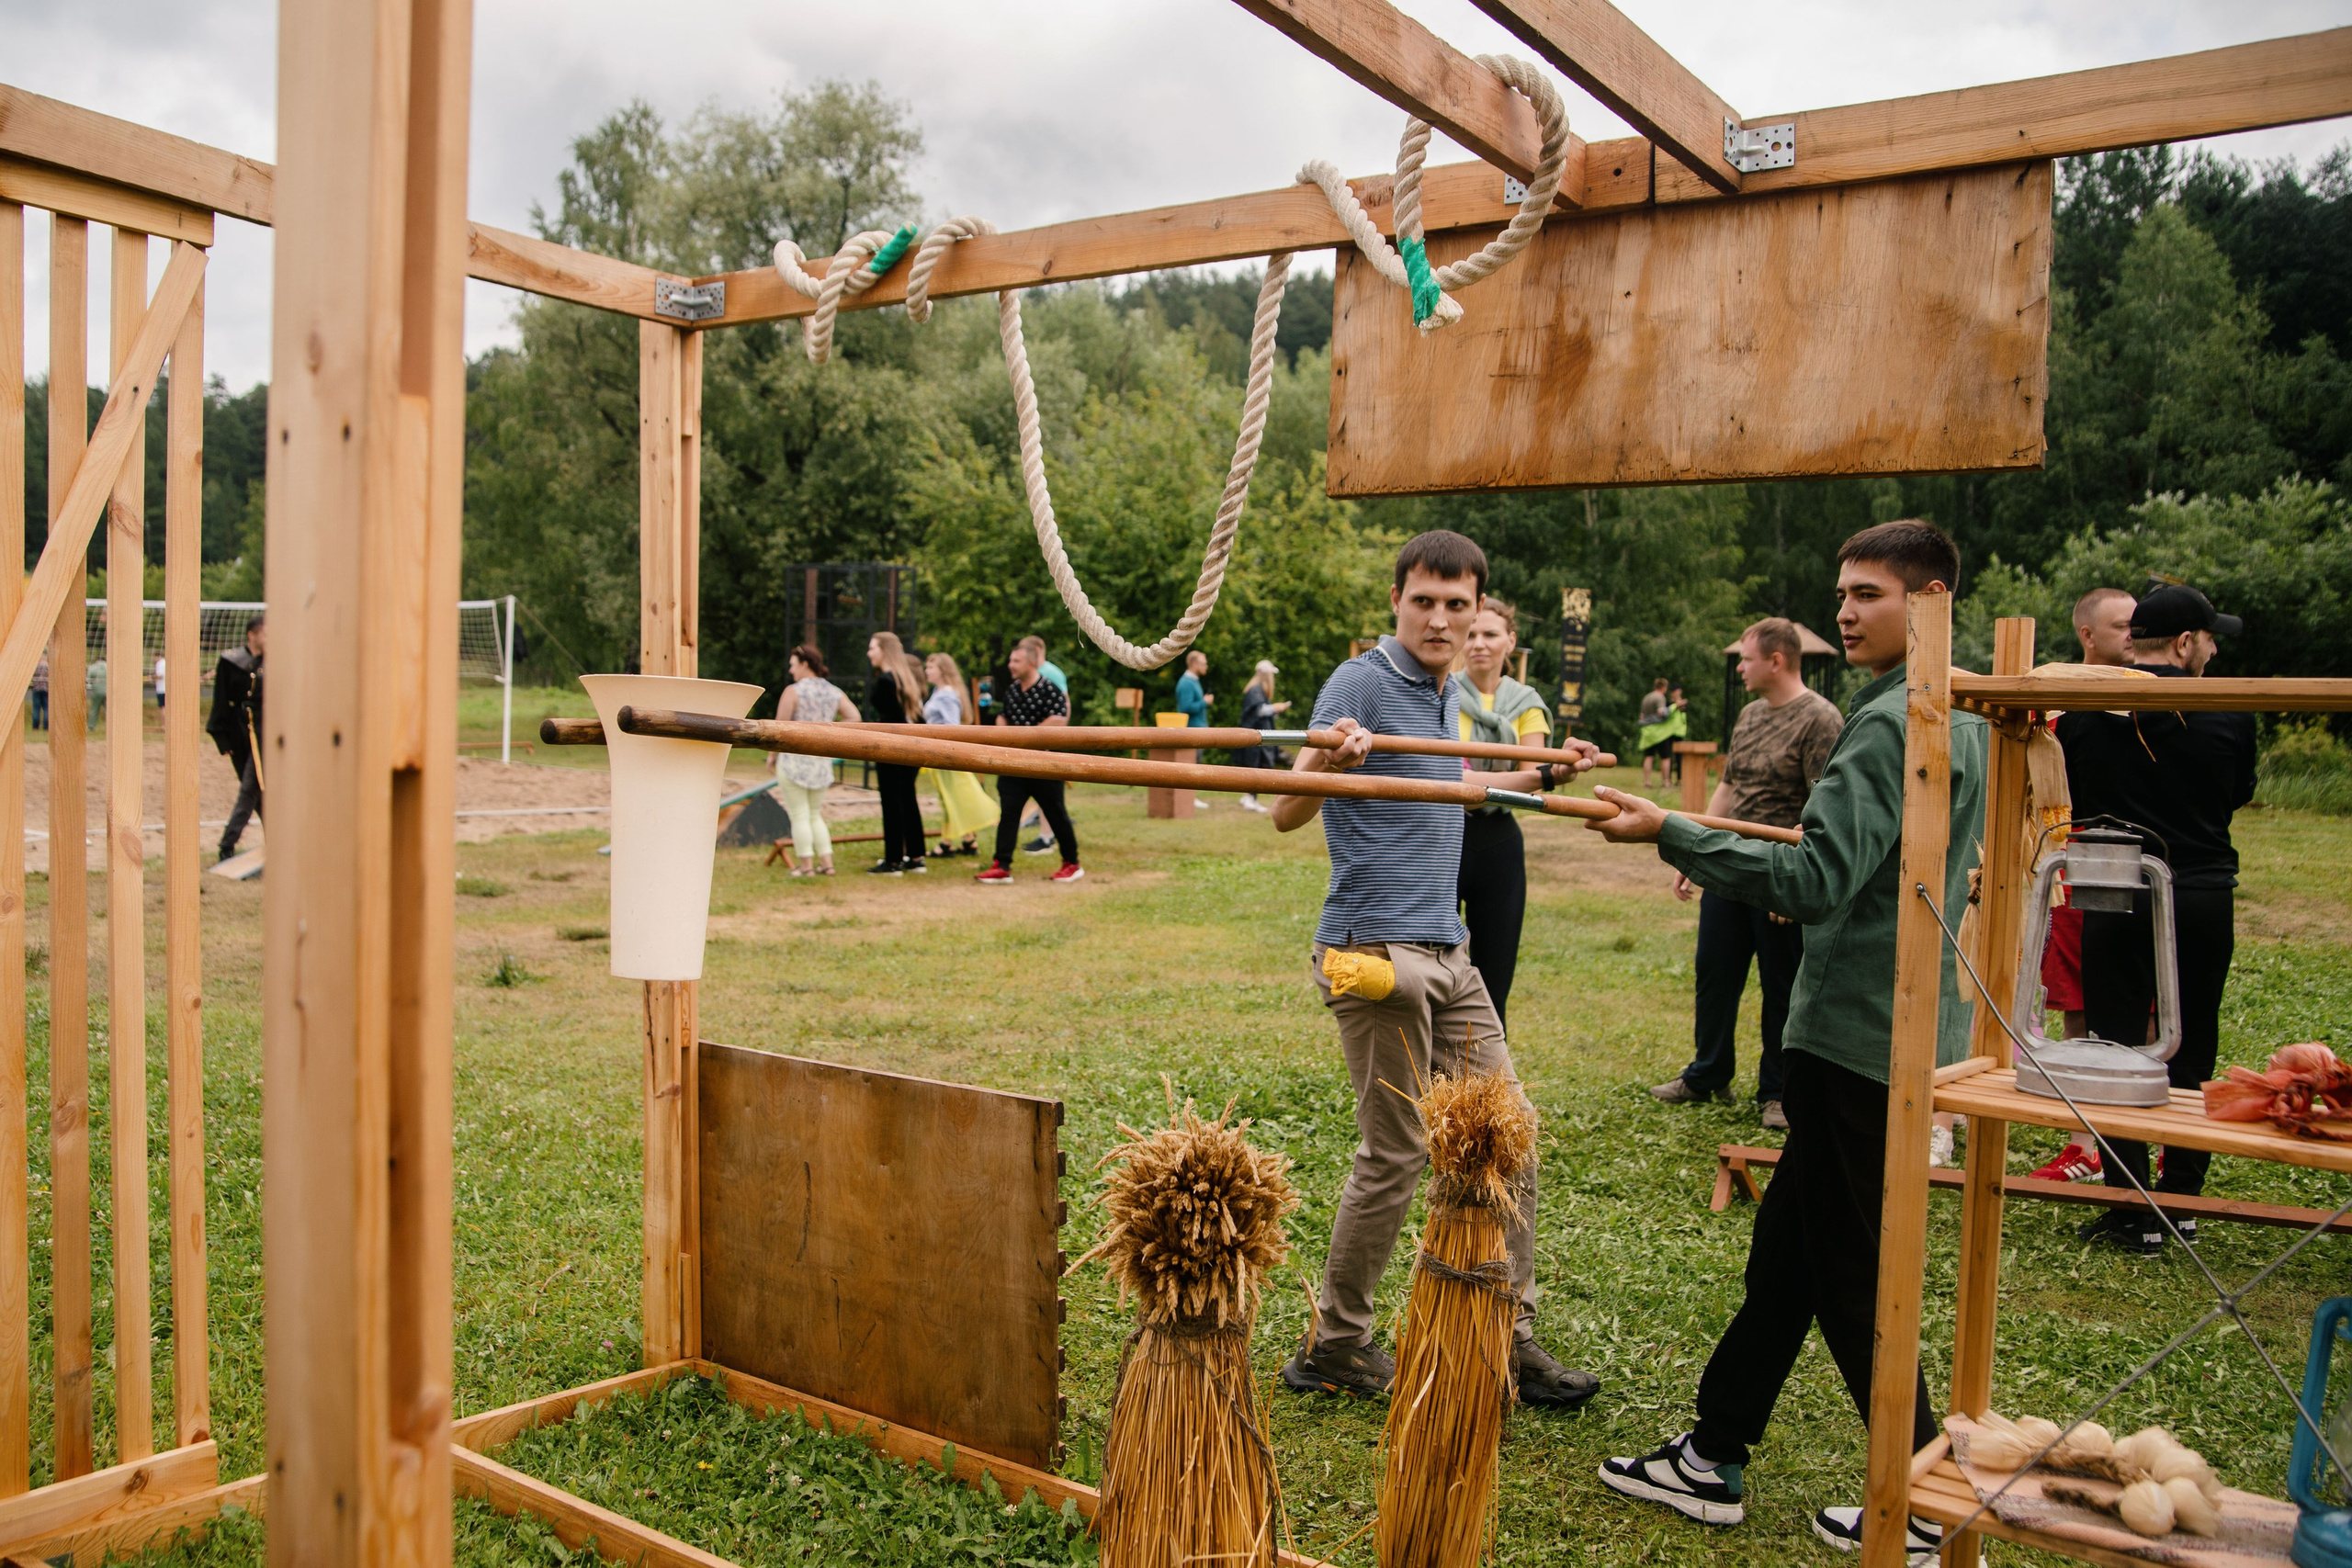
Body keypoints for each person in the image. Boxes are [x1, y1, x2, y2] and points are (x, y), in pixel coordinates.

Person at [1589, 521, 1987, 1558]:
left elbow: (1815, 881)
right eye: (1841, 594)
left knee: (1853, 1275)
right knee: (1789, 1257)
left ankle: (1922, 1505)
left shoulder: (1889, 720)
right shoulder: (1972, 708)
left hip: (1856, 1031)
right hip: (1906, 1022)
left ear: (1930, 599)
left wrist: (1669, 831)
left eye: (1869, 595)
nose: (1846, 614)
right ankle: (1713, 1455)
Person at [1272, 529, 1601, 1410]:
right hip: (1373, 951)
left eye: (1460, 605)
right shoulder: (1363, 682)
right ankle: (1337, 1344)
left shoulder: (1452, 691)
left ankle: (1507, 1333)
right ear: (1397, 600)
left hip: (1449, 954)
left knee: (1510, 1134)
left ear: (1480, 613)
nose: (1441, 617)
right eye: (1426, 600)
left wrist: (1555, 771)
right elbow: (1283, 810)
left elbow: (1488, 789)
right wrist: (1328, 763)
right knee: (1398, 1149)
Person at [2060, 584, 2256, 1254]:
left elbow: (2076, 798)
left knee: (2113, 1044)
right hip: (2201, 889)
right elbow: (2240, 795)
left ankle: (2130, 1208)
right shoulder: (2228, 708)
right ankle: (2183, 1201)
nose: (2215, 648)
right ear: (2183, 644)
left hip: (2115, 885)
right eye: (2209, 637)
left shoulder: (2086, 711)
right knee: (2194, 1037)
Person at [1649, 618, 1842, 1132]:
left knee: (1780, 985)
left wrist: (1798, 882)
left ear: (1776, 661)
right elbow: (1729, 786)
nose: (1739, 666)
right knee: (1715, 972)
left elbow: (1825, 808)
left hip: (1778, 872)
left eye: (1747, 658)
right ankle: (1708, 1073)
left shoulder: (1820, 719)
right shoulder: (1751, 715)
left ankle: (1777, 1091)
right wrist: (1696, 854)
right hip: (1730, 862)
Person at [2026, 585, 2144, 1185]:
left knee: (2150, 1007)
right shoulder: (2059, 705)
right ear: (2088, 636)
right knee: (2078, 1004)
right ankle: (2085, 1143)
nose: (2133, 633)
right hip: (2078, 867)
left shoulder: (2162, 699)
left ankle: (2153, 1135)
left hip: (2150, 872)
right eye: (2122, 624)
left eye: (2137, 625)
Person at [1453, 597, 1555, 1030]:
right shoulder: (1441, 692)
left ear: (1510, 642)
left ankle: (1487, 1088)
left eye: (1490, 634)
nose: (1478, 644)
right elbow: (1453, 788)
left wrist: (1540, 776)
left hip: (1500, 843)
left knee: (1496, 975)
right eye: (1471, 634)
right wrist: (1545, 776)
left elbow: (1532, 778)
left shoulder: (1526, 701)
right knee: (1433, 966)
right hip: (1446, 836)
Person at [978, 637, 1084, 885]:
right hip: (1014, 764)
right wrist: (1004, 732)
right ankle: (1001, 865)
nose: (1010, 665)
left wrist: (1026, 738)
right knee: (1009, 813)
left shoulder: (1049, 689)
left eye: (1016, 661)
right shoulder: (1013, 689)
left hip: (1043, 764)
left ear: (1031, 662)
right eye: (1010, 660)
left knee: (1056, 813)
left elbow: (1059, 719)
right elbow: (1004, 716)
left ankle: (1072, 863)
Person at [775, 644, 855, 877]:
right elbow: (854, 716)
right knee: (814, 814)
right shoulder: (834, 692)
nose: (791, 671)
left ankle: (807, 867)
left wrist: (771, 756)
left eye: (793, 666)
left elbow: (779, 727)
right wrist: (829, 733)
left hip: (794, 761)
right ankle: (827, 864)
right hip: (821, 761)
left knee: (799, 815)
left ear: (804, 664)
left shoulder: (794, 691)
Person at [863, 631, 930, 874]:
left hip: (891, 748)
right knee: (908, 800)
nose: (869, 653)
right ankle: (915, 855)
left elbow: (889, 719)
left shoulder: (887, 681)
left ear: (884, 650)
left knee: (892, 802)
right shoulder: (906, 679)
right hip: (910, 749)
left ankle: (893, 860)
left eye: (872, 648)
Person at [920, 652, 999, 857]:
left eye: (931, 667)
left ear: (943, 670)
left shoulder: (946, 694)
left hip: (945, 754)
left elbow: (952, 727)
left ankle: (946, 843)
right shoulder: (940, 692)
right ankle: (969, 840)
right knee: (953, 797)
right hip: (938, 753)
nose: (926, 671)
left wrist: (947, 752)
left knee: (954, 797)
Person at [209, 615, 266, 862]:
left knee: (251, 787)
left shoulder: (274, 662)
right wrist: (222, 737)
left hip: (265, 732)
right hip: (239, 732)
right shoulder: (230, 662)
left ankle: (227, 843)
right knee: (257, 791)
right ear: (252, 634)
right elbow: (220, 700)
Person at [1020, 638, 1071, 852]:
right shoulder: (1029, 675)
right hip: (1035, 740)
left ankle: (1048, 837)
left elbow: (1064, 707)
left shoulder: (1051, 673)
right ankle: (1047, 834)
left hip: (1047, 740)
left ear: (1036, 651)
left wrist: (1053, 736)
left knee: (1049, 794)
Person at [1235, 660, 1291, 813]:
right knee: (1253, 766)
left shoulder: (1257, 690)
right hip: (1253, 736)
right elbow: (1258, 712)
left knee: (1258, 766)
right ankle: (1248, 798)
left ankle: (1251, 798)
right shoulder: (1255, 690)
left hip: (1258, 735)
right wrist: (1275, 708)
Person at [1639, 678, 1672, 787]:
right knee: (1665, 757)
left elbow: (1642, 716)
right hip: (1659, 732)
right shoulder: (1660, 697)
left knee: (1649, 756)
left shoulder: (1646, 697)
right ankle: (1666, 782)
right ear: (1663, 687)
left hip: (1647, 731)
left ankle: (1647, 782)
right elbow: (1661, 713)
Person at [29, 655, 47, 731]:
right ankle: (46, 726)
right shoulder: (48, 666)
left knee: (36, 708)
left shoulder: (35, 667)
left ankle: (35, 726)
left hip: (36, 689)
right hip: (46, 689)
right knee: (46, 708)